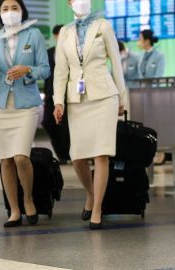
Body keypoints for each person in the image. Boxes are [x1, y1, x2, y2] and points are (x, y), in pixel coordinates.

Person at [53, 0, 127, 229]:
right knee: (77, 156)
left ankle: (97, 208)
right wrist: (58, 102)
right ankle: (91, 193)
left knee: (101, 154)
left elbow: (116, 63)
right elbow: (60, 71)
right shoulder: (65, 32)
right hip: (77, 99)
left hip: (104, 96)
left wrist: (122, 99)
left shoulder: (103, 26)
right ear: (69, 3)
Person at [0, 0, 50, 227]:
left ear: (22, 11)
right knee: (5, 159)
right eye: (5, 9)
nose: (10, 12)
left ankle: (28, 198)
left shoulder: (34, 35)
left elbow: (45, 68)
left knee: (21, 156)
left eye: (14, 8)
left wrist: (28, 70)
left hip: (26, 104)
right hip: (0, 103)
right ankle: (14, 210)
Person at [42, 24, 70, 164]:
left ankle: (69, 153)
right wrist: (46, 93)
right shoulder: (49, 53)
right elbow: (47, 75)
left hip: (68, 95)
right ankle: (62, 153)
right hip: (50, 94)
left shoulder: (71, 52)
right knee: (48, 122)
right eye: (58, 35)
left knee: (65, 126)